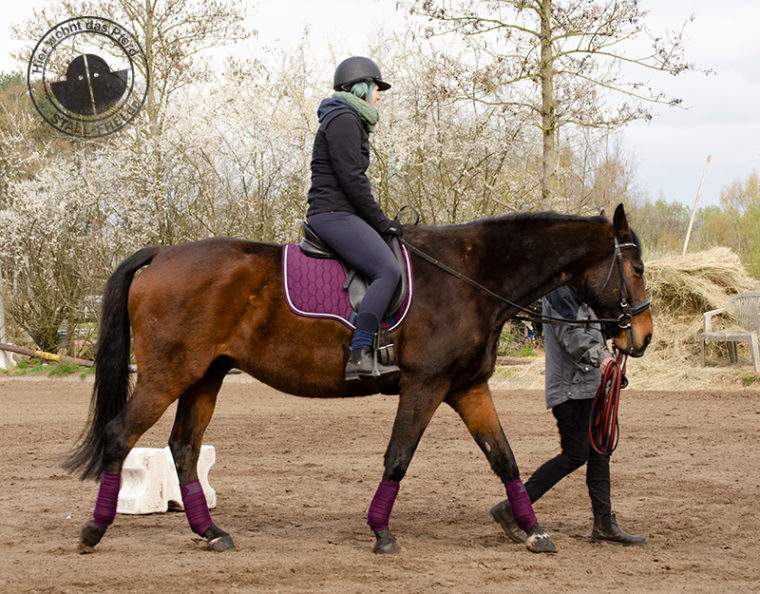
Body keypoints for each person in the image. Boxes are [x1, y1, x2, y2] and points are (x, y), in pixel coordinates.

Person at [491, 285, 646, 545]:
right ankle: (512, 508)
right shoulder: (560, 292)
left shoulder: (584, 288)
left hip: (593, 385)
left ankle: (604, 522)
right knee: (576, 453)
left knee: (600, 452)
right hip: (570, 389)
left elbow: (595, 328)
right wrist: (603, 359)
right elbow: (573, 338)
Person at [306, 56, 402, 382]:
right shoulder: (345, 119)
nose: (380, 95)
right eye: (377, 88)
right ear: (362, 87)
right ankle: (360, 352)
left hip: (339, 212)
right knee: (387, 270)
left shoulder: (346, 118)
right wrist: (381, 221)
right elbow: (352, 179)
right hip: (333, 214)